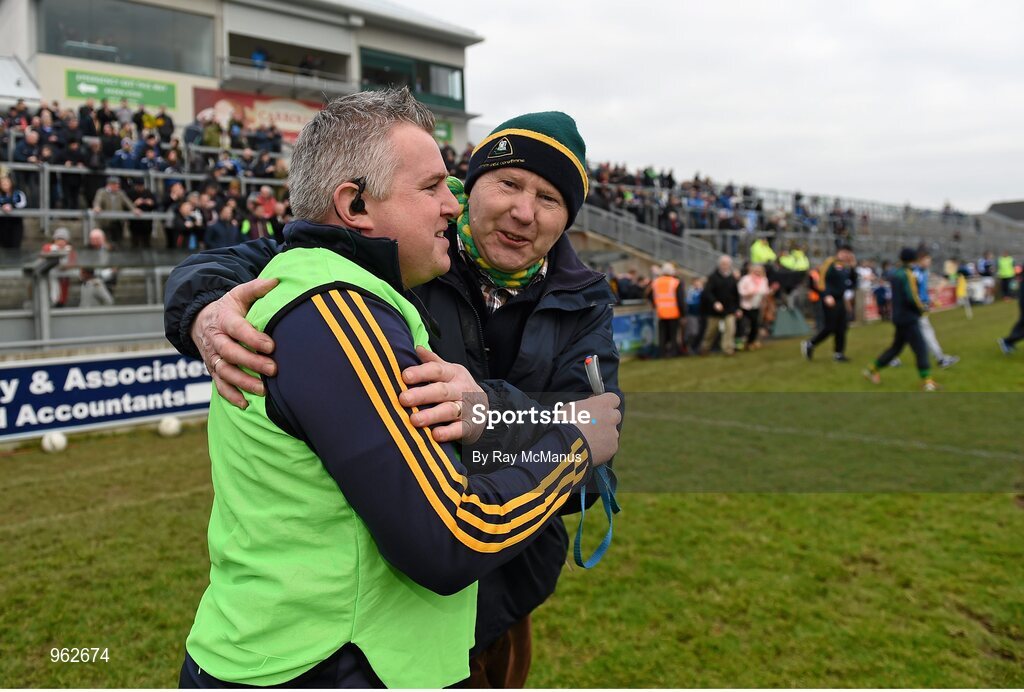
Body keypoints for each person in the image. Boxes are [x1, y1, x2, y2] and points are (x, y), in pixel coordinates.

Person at [168, 90, 621, 688]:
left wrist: (494, 413)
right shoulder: (397, 257)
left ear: (568, 219)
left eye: (550, 199)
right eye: (509, 184)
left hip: (505, 586)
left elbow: (598, 451)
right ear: (472, 186)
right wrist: (204, 315)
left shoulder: (584, 300)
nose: (524, 211)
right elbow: (267, 257)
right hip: (372, 628)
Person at [864, 248, 939, 391]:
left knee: (896, 348)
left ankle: (871, 370)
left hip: (898, 316)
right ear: (914, 259)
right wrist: (921, 309)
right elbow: (912, 296)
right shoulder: (908, 274)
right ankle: (927, 381)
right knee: (920, 348)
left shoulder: (895, 273)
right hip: (908, 317)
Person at [802, 245, 855, 362]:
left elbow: (852, 283)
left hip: (841, 299)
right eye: (844, 252)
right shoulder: (830, 263)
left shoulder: (846, 267)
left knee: (842, 327)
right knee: (830, 327)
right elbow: (821, 280)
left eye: (848, 253)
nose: (846, 255)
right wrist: (826, 295)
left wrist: (852, 268)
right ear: (839, 252)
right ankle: (811, 343)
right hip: (831, 299)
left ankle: (839, 353)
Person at [913, 251, 959, 368]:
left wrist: (945, 277)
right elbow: (913, 291)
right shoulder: (916, 273)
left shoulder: (923, 272)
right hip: (917, 306)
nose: (929, 262)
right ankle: (940, 358)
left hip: (920, 305)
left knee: (911, 334)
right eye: (927, 259)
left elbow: (934, 283)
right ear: (920, 260)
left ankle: (930, 355)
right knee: (926, 331)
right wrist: (921, 303)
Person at [699, 255, 741, 355]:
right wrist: (715, 302)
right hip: (714, 310)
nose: (725, 266)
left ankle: (728, 349)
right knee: (711, 332)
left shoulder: (732, 278)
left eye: (727, 264)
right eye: (723, 264)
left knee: (730, 329)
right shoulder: (712, 277)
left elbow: (736, 295)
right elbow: (707, 293)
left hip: (729, 309)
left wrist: (738, 308)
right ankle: (705, 348)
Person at [651, 261, 685, 357]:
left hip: (661, 312)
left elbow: (650, 295)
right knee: (674, 335)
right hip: (673, 312)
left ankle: (662, 353)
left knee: (662, 335)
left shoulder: (656, 282)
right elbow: (680, 299)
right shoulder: (675, 282)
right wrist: (683, 314)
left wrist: (655, 305)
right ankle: (673, 352)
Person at [738, 263, 770, 350]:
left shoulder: (764, 280)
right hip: (745, 306)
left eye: (759, 271)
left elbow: (765, 291)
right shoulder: (746, 279)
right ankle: (741, 342)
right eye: (756, 271)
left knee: (755, 325)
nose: (757, 272)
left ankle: (750, 342)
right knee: (743, 325)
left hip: (756, 306)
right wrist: (748, 294)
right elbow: (740, 290)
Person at [0, 175, 28, 250]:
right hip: (2, 223)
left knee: (15, 246)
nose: (5, 184)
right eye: (2, 183)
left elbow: (23, 204)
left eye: (6, 182)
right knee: (4, 246)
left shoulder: (18, 193)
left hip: (16, 223)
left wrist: (12, 206)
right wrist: (2, 207)